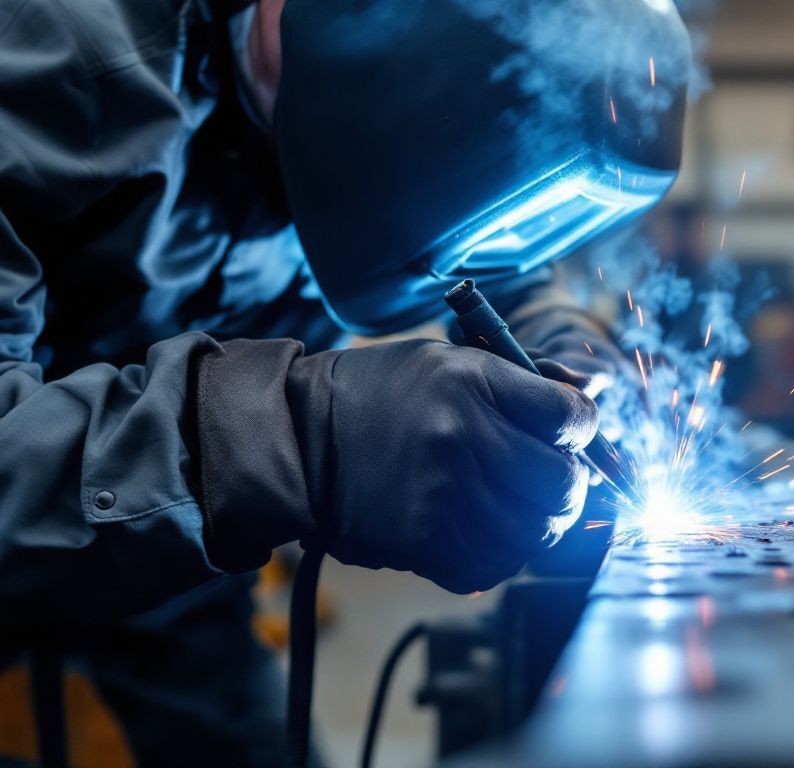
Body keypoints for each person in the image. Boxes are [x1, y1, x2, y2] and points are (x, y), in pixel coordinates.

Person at [0, 0, 689, 763]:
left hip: (170, 551)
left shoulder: (389, 120)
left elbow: (491, 253)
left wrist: (561, 336)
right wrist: (302, 441)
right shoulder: (59, 58)